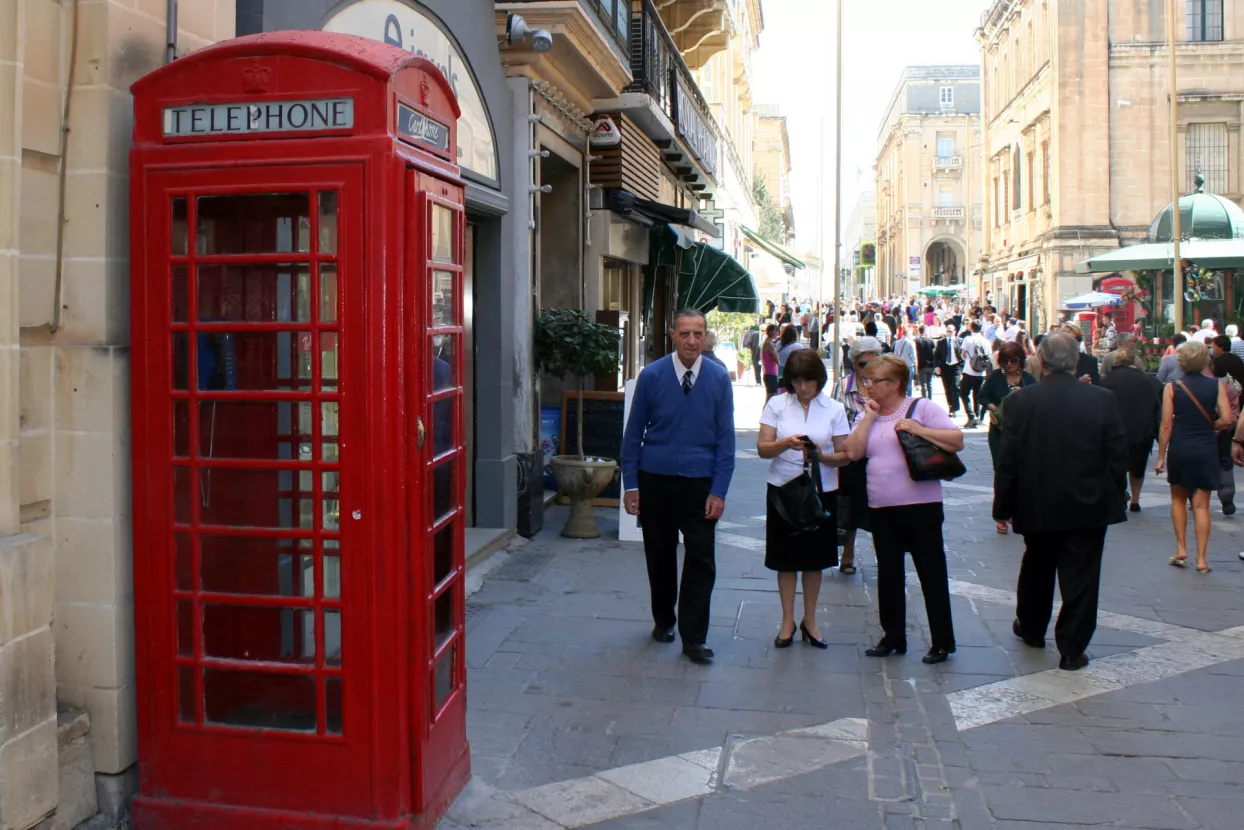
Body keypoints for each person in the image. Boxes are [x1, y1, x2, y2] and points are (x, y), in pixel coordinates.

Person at [993, 333, 1128, 672]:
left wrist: (1003, 506)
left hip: (1036, 500)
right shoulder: (1102, 399)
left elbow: (1007, 460)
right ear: (1076, 359)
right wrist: (1117, 494)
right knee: (1081, 575)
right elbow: (1116, 455)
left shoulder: (1021, 402)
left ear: (1041, 359)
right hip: (1088, 502)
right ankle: (1072, 646)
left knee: (1037, 566)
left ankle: (1032, 627)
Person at [621, 309, 735, 664]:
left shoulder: (718, 379)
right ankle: (663, 619)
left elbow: (726, 440)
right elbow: (633, 433)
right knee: (659, 555)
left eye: (698, 334)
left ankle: (694, 638)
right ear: (673, 335)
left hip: (700, 482)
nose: (691, 341)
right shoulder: (652, 376)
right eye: (685, 333)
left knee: (701, 559)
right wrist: (631, 484)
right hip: (657, 480)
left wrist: (719, 490)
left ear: (706, 336)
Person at [843, 353, 962, 664]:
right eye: (866, 380)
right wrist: (868, 416)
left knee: (931, 572)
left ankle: (942, 641)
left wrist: (918, 430)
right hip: (882, 506)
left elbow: (956, 440)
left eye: (874, 381)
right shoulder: (866, 414)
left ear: (894, 384)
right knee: (889, 572)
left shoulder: (921, 408)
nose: (868, 386)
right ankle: (893, 636)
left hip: (921, 505)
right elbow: (853, 452)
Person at [757, 351, 852, 649]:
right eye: (797, 380)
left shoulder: (834, 408)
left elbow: (845, 455)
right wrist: (785, 444)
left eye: (809, 379)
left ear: (819, 379)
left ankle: (810, 619)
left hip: (822, 489)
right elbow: (762, 448)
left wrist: (819, 456)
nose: (803, 386)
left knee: (814, 560)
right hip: (784, 488)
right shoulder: (777, 404)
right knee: (785, 559)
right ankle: (787, 620)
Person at [1155, 340, 1232, 574]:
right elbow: (1228, 419)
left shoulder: (1172, 387)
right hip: (1206, 447)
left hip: (1181, 447)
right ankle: (1202, 559)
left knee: (1178, 499)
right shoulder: (1216, 385)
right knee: (1201, 506)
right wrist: (1211, 426)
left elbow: (1166, 425)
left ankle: (1181, 548)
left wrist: (1160, 458)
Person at [831, 336, 885, 576]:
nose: (869, 368)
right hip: (851, 456)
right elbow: (832, 418)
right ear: (854, 364)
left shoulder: (887, 385)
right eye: (864, 364)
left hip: (881, 453)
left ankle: (884, 554)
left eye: (874, 362)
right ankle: (848, 554)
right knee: (850, 506)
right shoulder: (843, 386)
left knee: (881, 508)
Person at [981, 341, 1038, 533]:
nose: (1010, 364)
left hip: (1023, 433)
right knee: (1001, 472)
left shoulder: (1029, 380)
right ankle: (1001, 516)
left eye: (1013, 360)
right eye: (1005, 361)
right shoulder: (996, 377)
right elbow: (983, 396)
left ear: (1021, 360)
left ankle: (1016, 511)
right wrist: (993, 408)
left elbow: (1038, 403)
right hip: (1000, 432)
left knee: (1021, 473)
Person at [1101, 350, 1162, 513]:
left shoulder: (1107, 381)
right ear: (1134, 362)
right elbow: (1157, 408)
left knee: (1116, 466)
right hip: (1142, 431)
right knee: (1138, 467)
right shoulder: (1148, 381)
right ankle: (1135, 500)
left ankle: (1120, 496)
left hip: (1115, 431)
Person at [959, 320, 992, 428]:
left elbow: (963, 354)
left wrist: (970, 360)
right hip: (981, 372)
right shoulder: (986, 341)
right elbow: (989, 355)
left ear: (971, 327)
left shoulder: (968, 339)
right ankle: (976, 416)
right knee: (977, 395)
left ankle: (971, 416)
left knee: (964, 393)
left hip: (969, 370)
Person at [935, 323, 963, 417]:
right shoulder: (941, 342)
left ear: (954, 331)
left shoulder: (960, 341)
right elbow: (936, 355)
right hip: (945, 367)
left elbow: (964, 355)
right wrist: (937, 366)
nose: (949, 333)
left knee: (955, 386)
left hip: (956, 366)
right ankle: (951, 407)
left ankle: (956, 407)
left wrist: (963, 367)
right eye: (947, 331)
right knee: (947, 388)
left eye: (950, 331)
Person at [892, 325, 917, 396]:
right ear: (908, 333)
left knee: (901, 384)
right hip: (909, 365)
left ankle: (902, 398)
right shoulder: (911, 343)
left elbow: (895, 355)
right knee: (909, 384)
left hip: (900, 365)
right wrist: (916, 367)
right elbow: (914, 356)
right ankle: (909, 399)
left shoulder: (897, 342)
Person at [915, 325, 937, 400]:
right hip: (931, 364)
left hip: (921, 364)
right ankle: (930, 399)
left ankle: (924, 399)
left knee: (923, 384)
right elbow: (935, 352)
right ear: (925, 331)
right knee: (929, 383)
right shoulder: (931, 340)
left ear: (919, 331)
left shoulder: (916, 341)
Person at [760, 323, 781, 401]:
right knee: (771, 397)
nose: (777, 333)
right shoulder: (769, 344)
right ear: (772, 332)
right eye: (776, 331)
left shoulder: (767, 343)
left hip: (769, 373)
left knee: (771, 396)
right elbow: (777, 359)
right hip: (771, 373)